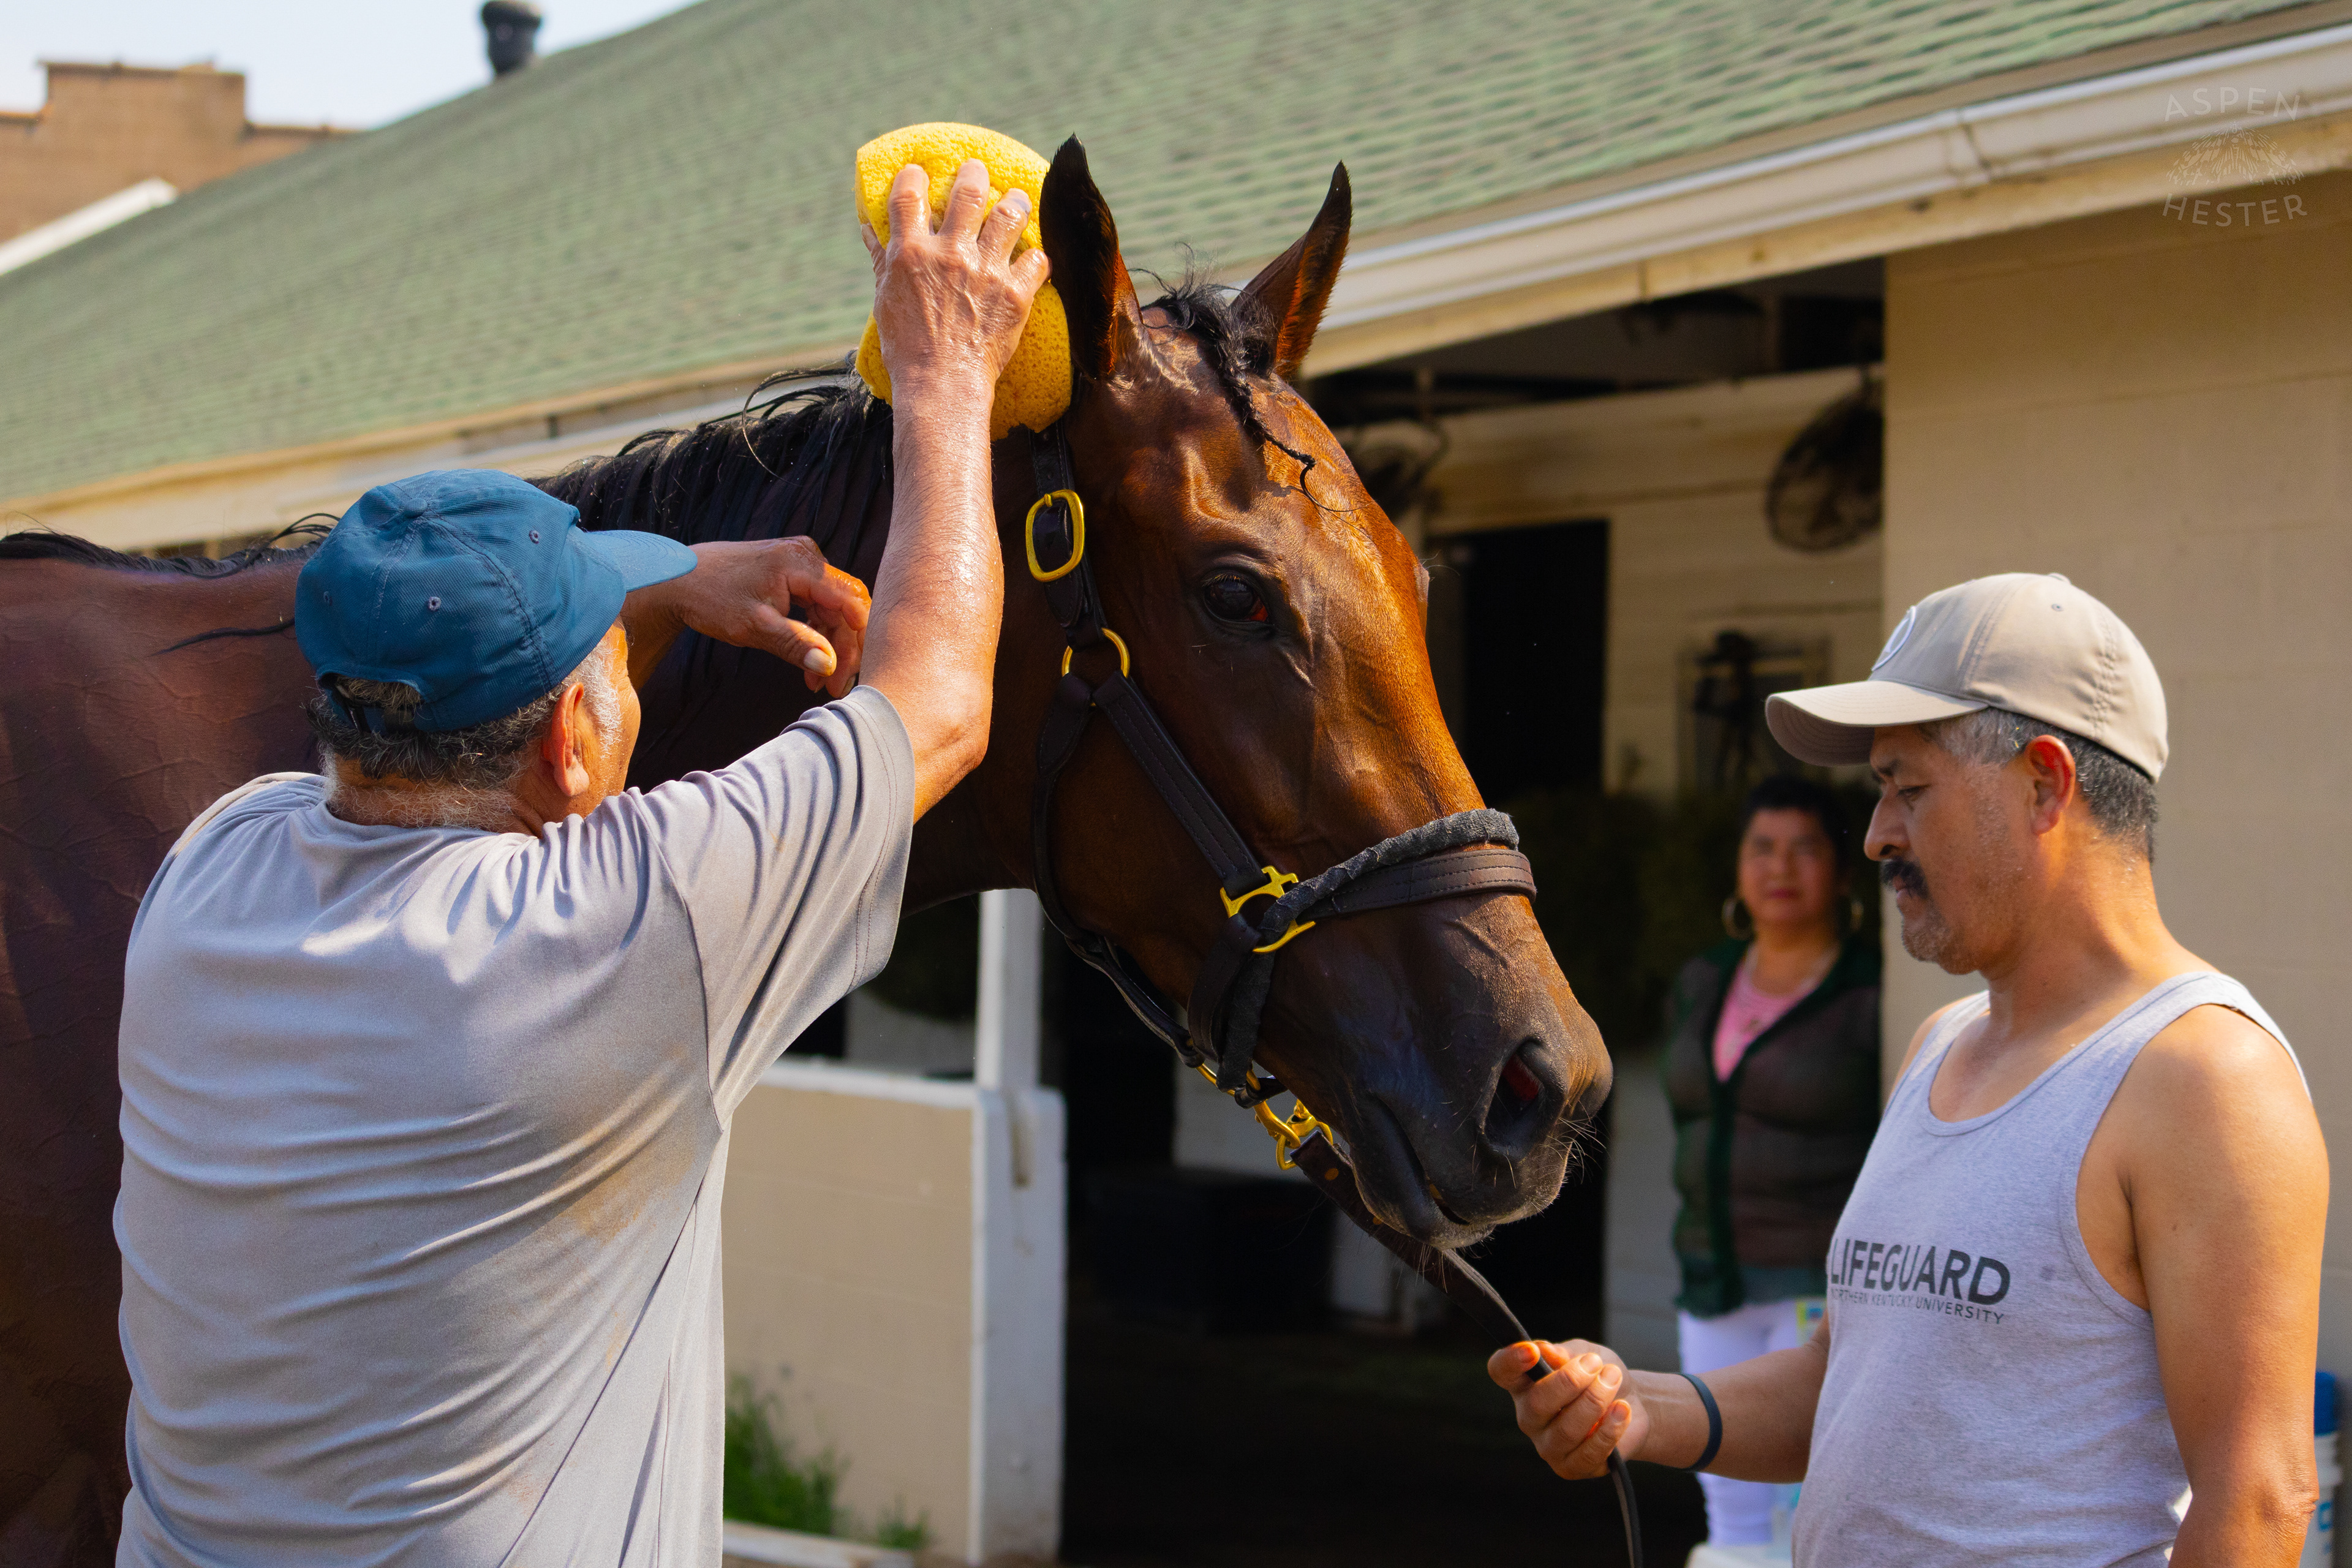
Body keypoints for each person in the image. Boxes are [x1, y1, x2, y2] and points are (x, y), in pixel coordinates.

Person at [111, 160, 1047, 1564]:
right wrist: (946, 367)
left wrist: (656, 582)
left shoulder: (211, 875)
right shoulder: (623, 938)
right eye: (613, 659)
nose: (633, 675)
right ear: (570, 743)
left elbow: (443, 668)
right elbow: (942, 695)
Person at [1493, 573, 2327, 1566]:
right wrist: (1636, 1407)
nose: (1877, 835)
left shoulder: (2204, 1077)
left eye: (1909, 788)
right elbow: (1849, 1373)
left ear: (2045, 785)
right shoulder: (1941, 1046)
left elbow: (2261, 1503)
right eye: (1880, 792)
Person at [1662, 773, 1879, 1546]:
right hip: (1710, 1278)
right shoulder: (1702, 979)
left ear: (1843, 873)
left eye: (1804, 849)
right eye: (1762, 848)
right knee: (1729, 1511)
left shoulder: (1872, 993)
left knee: (1803, 1513)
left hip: (1815, 1292)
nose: (1779, 868)